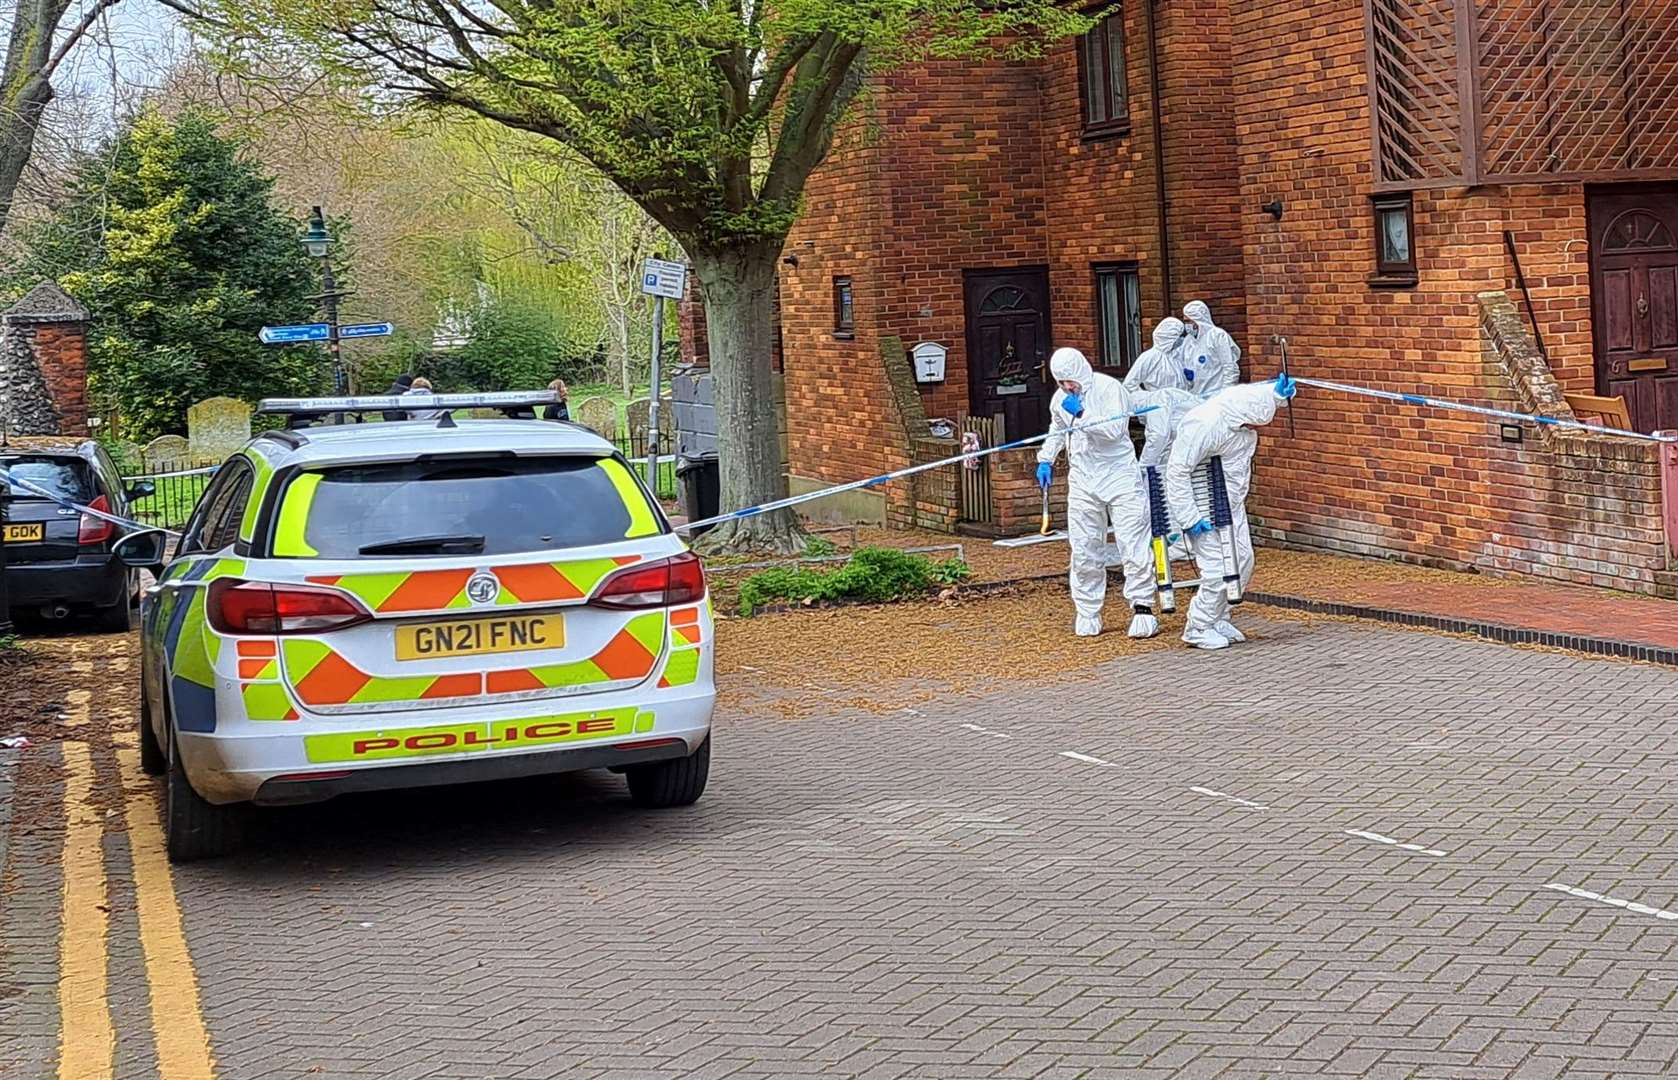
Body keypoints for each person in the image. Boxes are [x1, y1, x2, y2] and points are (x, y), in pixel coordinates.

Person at [1165, 374, 1297, 650]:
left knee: (1243, 560)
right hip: (1201, 503)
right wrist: (1189, 517)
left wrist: (1278, 396)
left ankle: (1218, 616)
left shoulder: (1242, 412)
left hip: (1230, 503)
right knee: (1216, 569)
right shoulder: (1205, 424)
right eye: (1252, 423)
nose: (1253, 427)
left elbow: (1258, 399)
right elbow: (1177, 471)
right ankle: (1198, 626)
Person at [1035, 347, 1160, 639]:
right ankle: (1088, 610)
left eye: (1070, 381)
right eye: (1061, 382)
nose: (1067, 387)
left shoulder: (1109, 389)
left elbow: (1114, 431)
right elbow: (1057, 428)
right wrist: (1046, 457)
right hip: (1083, 479)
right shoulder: (1061, 399)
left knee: (1133, 544)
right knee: (1085, 548)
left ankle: (1143, 608)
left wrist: (1082, 413)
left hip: (1119, 477)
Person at [1182, 301, 1242, 397]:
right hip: (1196, 397)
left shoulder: (1217, 336)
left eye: (1188, 321)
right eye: (1185, 321)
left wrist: (1225, 395)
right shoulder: (1188, 341)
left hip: (1216, 396)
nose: (1186, 325)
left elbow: (1230, 368)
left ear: (1198, 319)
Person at [1123, 318, 1191, 394]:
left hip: (1181, 402)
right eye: (1180, 336)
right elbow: (1129, 384)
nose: (1182, 339)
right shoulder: (1150, 357)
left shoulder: (1177, 356)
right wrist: (1149, 398)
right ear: (1169, 337)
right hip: (1159, 404)